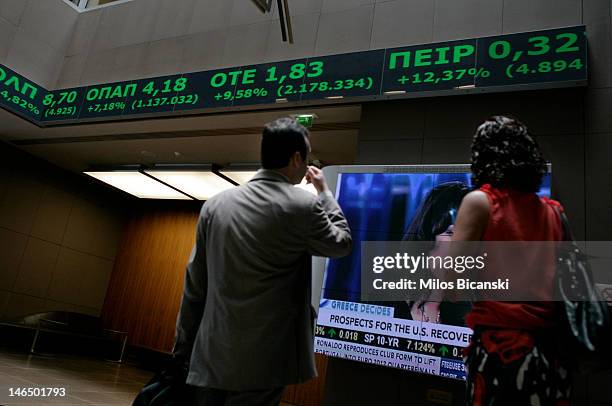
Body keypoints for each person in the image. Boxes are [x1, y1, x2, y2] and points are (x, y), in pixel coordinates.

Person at [172, 117, 352, 406]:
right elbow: (341, 243)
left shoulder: (215, 205)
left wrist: (183, 347)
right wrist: (324, 192)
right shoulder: (303, 206)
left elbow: (195, 286)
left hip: (210, 355)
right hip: (265, 363)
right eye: (306, 158)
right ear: (296, 158)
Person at [451, 116, 571, 405]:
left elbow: (451, 286)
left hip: (501, 353)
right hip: (552, 354)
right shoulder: (555, 212)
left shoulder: (481, 202)